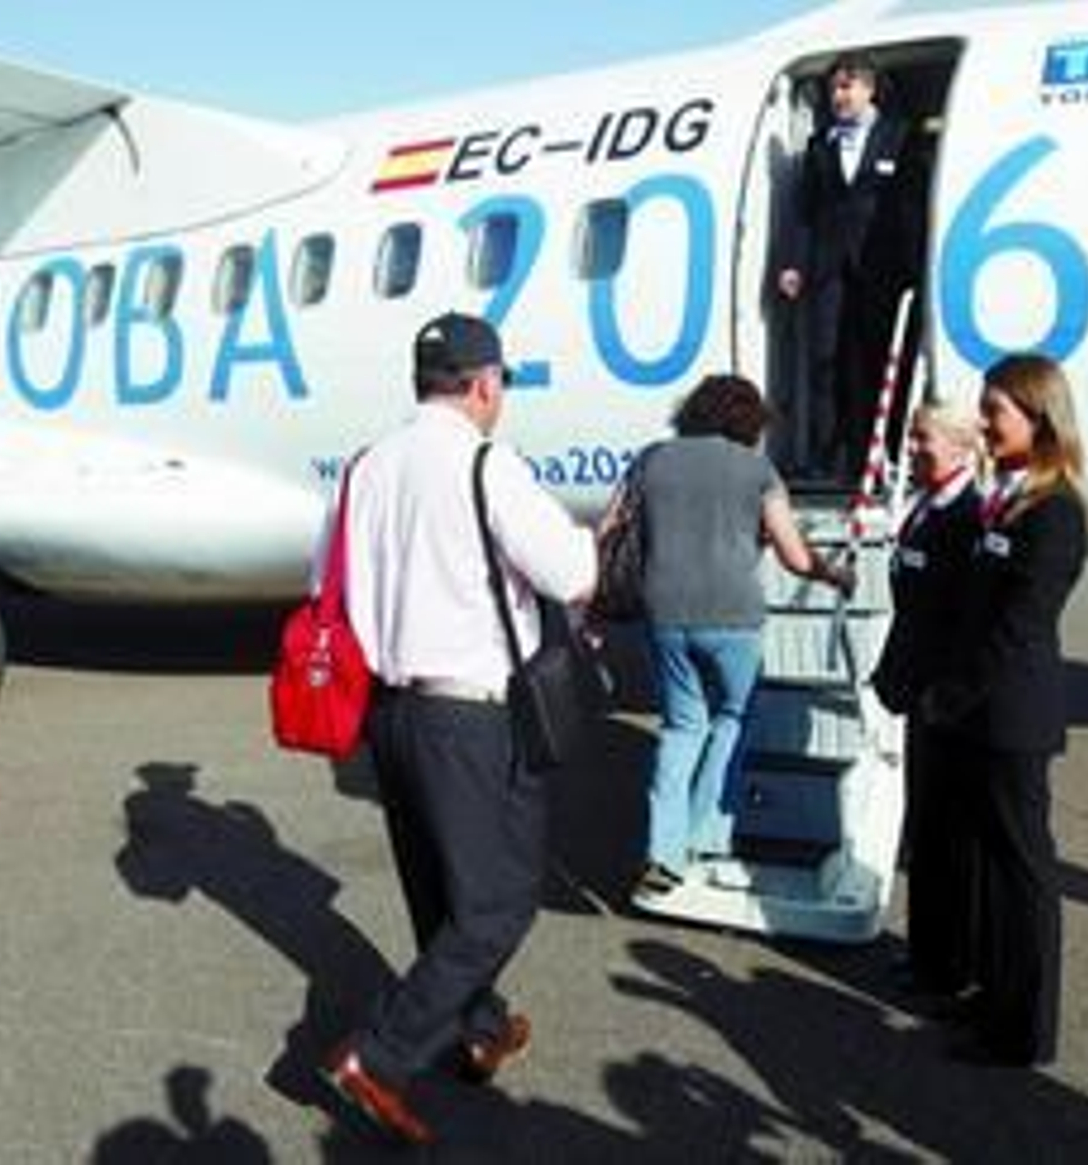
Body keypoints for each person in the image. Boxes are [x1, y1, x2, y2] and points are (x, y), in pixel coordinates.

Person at [319, 312, 596, 1144]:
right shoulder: (486, 464)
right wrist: (589, 535)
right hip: (469, 714)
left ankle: (478, 1026)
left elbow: (323, 577)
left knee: (438, 887)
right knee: (499, 903)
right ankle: (381, 1052)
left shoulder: (365, 466)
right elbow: (572, 571)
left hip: (389, 709)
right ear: (484, 385)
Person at [610, 373, 853, 903]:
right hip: (734, 618)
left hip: (665, 614)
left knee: (680, 727)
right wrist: (836, 574)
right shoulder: (757, 469)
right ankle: (706, 835)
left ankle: (662, 854)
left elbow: (613, 529)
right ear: (750, 422)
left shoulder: (651, 459)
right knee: (732, 718)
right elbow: (793, 554)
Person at [923, 353, 1088, 1066]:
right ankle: (991, 998)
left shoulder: (1054, 511)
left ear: (1038, 416)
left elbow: (1019, 626)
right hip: (982, 716)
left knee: (1023, 873)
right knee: (991, 865)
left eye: (995, 411)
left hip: (1011, 716)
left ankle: (1024, 1030)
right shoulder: (1011, 494)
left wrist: (950, 697)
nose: (984, 424)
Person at [870, 402, 984, 999]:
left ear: (964, 447)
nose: (912, 448)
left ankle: (948, 963)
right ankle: (926, 952)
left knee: (946, 835)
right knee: (927, 831)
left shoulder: (966, 517)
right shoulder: (929, 505)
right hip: (920, 693)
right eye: (912, 438)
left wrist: (941, 692)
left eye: (924, 439)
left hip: (944, 702)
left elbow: (964, 622)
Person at [777, 51, 924, 481]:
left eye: (845, 87)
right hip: (829, 272)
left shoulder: (900, 137)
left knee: (883, 361)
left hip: (884, 271)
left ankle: (891, 454)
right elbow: (804, 212)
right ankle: (838, 457)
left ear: (868, 88)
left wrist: (915, 265)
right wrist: (792, 263)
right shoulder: (820, 145)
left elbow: (911, 207)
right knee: (828, 365)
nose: (838, 97)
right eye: (833, 89)